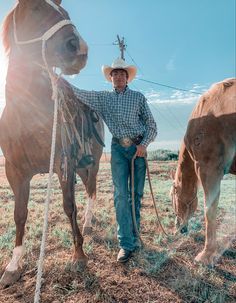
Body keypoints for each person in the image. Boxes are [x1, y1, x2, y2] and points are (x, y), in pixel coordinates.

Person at [72, 58, 157, 262]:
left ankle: (135, 235)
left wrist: (143, 145)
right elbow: (82, 94)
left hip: (138, 149)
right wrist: (61, 83)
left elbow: (152, 126)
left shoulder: (138, 98)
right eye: (115, 74)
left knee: (135, 195)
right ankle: (125, 244)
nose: (118, 77)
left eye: (122, 74)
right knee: (120, 195)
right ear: (110, 78)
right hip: (118, 149)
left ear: (127, 78)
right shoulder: (103, 99)